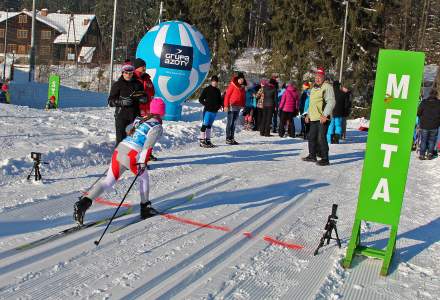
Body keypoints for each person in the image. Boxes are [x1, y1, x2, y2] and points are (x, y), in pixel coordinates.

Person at [73, 98, 166, 225]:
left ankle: (83, 203)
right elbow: (148, 147)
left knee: (108, 181)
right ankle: (145, 208)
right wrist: (143, 162)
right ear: (162, 112)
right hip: (133, 155)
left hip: (120, 150)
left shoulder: (140, 119)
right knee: (144, 178)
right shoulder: (157, 126)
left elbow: (128, 129)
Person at [302, 68, 335, 166]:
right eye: (316, 77)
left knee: (321, 138)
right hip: (314, 117)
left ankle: (325, 158)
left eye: (319, 77)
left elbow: (331, 101)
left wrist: (325, 115)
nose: (317, 79)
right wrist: (308, 114)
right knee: (311, 137)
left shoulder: (327, 87)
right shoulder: (314, 88)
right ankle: (312, 155)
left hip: (323, 117)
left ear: (323, 77)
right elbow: (312, 103)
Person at [108, 62, 144, 146]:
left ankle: (132, 157)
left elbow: (144, 96)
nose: (128, 75)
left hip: (135, 115)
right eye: (126, 73)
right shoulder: (117, 85)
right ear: (122, 73)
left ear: (133, 73)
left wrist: (143, 99)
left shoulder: (138, 84)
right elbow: (110, 101)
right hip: (121, 116)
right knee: (121, 140)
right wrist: (121, 102)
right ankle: (118, 158)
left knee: (134, 139)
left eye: (130, 73)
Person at [417, 75, 440, 160]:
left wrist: (421, 117)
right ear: (436, 95)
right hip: (435, 125)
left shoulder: (424, 102)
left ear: (430, 95)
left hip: (424, 124)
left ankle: (422, 155)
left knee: (424, 140)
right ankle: (430, 153)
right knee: (432, 140)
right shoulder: (439, 103)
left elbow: (419, 112)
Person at [198, 75, 223, 147]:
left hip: (214, 111)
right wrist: (206, 104)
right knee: (205, 125)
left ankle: (208, 140)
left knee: (209, 126)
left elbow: (219, 100)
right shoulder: (207, 89)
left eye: (216, 82)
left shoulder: (218, 90)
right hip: (207, 111)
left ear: (217, 83)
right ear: (211, 82)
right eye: (213, 81)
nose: (214, 83)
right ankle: (202, 141)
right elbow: (200, 99)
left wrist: (220, 106)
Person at [224, 72, 246, 145]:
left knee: (234, 123)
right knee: (230, 122)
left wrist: (243, 105)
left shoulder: (242, 87)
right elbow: (227, 95)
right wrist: (226, 106)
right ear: (237, 79)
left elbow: (243, 97)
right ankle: (228, 138)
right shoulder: (232, 85)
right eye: (240, 79)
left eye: (242, 79)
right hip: (231, 105)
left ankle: (232, 138)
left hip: (238, 106)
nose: (241, 80)